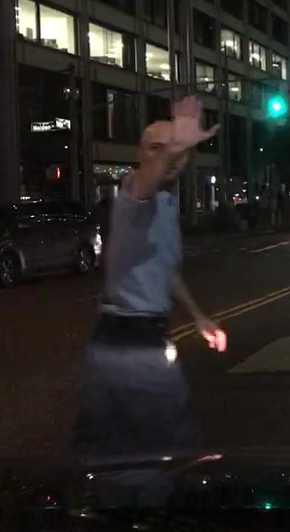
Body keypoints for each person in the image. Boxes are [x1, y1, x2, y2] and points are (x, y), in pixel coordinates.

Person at [72, 96, 228, 460]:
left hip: (111, 342)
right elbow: (146, 183)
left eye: (174, 150)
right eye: (155, 148)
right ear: (140, 155)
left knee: (100, 447)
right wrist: (174, 146)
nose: (167, 156)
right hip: (135, 342)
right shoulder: (133, 197)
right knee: (176, 444)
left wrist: (198, 317)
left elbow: (166, 268)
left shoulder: (166, 205)